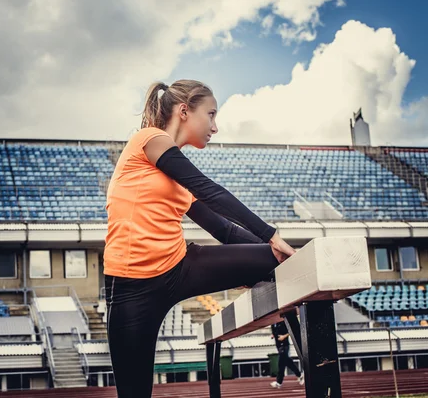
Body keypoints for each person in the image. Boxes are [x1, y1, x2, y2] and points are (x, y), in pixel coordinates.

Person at [103, 79, 296, 398]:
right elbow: (210, 190)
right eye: (211, 114)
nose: (215, 127)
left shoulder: (176, 179)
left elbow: (223, 230)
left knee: (279, 261)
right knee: (135, 393)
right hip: (131, 287)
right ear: (183, 111)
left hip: (179, 267)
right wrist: (270, 233)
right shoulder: (149, 139)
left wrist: (272, 252)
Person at [270, 320, 304, 388]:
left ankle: (279, 382)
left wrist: (284, 336)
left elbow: (290, 331)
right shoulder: (272, 323)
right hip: (278, 345)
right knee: (288, 362)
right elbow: (274, 331)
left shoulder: (283, 322)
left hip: (284, 345)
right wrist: (273, 335)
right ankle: (299, 375)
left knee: (281, 363)